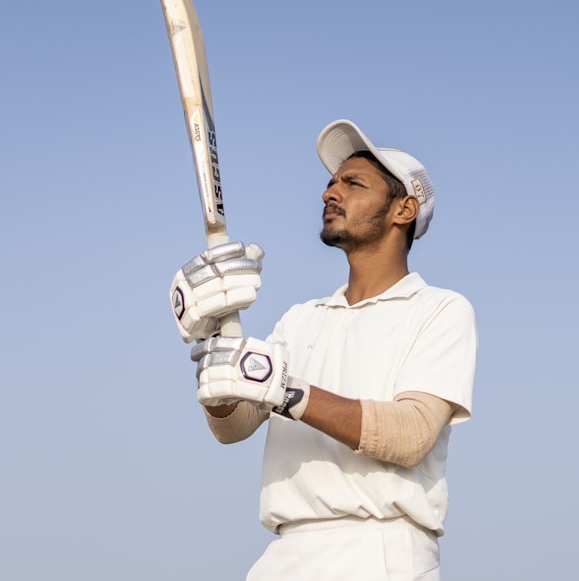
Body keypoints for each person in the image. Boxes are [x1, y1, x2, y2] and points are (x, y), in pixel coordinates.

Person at [169, 119, 478, 581]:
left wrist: (287, 391)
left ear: (404, 209)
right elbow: (232, 426)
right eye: (331, 182)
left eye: (353, 183)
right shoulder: (302, 318)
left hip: (381, 549)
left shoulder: (440, 310)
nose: (329, 193)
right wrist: (214, 343)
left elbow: (411, 435)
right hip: (286, 554)